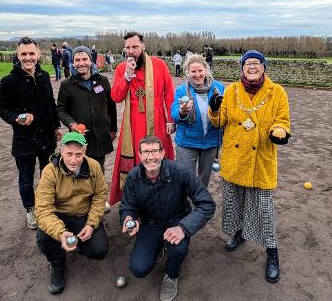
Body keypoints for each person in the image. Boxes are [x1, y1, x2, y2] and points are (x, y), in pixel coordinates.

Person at [208, 49, 291, 284]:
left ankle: (272, 251)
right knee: (235, 202)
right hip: (234, 161)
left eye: (257, 63)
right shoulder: (232, 91)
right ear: (241, 68)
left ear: (264, 67)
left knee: (264, 209)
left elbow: (282, 121)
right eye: (247, 64)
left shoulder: (277, 92)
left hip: (260, 161)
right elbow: (219, 122)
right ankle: (239, 233)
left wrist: (279, 133)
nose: (252, 67)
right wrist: (214, 108)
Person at [120, 135, 215, 301]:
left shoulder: (180, 171)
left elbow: (207, 204)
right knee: (139, 269)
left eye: (155, 151)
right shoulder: (133, 177)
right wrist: (129, 218)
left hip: (177, 221)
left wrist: (183, 228)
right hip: (150, 224)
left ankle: (171, 275)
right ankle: (158, 246)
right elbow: (128, 205)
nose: (150, 157)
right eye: (146, 152)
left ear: (163, 153)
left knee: (178, 250)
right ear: (140, 155)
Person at [0, 37, 62, 230]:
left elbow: (51, 104)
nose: (28, 58)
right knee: (26, 178)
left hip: (46, 137)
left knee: (48, 175)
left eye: (31, 53)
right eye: (23, 54)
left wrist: (56, 126)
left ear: (38, 54)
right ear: (18, 55)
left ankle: (46, 205)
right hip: (24, 140)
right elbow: (1, 108)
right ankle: (31, 209)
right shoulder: (10, 81)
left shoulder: (44, 76)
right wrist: (16, 117)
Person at [35, 132, 109, 295]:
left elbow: (100, 196)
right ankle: (57, 264)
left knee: (99, 251)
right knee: (44, 237)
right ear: (61, 152)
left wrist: (91, 223)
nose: (73, 160)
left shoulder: (94, 166)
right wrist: (60, 233)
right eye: (69, 154)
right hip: (58, 215)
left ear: (85, 151)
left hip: (83, 215)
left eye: (78, 154)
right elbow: (43, 210)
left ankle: (80, 242)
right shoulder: (49, 171)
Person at [109, 32, 176, 206]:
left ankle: (162, 198)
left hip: (158, 122)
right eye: (128, 48)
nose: (131, 51)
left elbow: (169, 93)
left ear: (143, 46)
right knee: (135, 161)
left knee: (158, 158)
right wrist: (127, 76)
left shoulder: (159, 65)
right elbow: (116, 97)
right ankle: (135, 200)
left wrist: (171, 119)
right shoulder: (121, 69)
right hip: (132, 125)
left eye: (135, 47)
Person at [57, 45, 117, 172]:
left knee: (98, 170)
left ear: (90, 60)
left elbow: (111, 106)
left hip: (100, 135)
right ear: (73, 62)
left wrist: (113, 129)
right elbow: (61, 110)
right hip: (79, 137)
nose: (81, 63)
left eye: (84, 59)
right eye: (77, 60)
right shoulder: (67, 85)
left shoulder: (102, 81)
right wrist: (72, 124)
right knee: (79, 171)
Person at [171, 54, 224, 187]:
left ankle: (199, 205)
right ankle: (185, 206)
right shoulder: (182, 90)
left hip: (211, 142)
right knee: (185, 179)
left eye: (200, 70)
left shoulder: (219, 88)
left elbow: (226, 112)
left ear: (206, 69)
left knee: (203, 181)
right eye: (193, 71)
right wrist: (182, 112)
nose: (197, 74)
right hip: (187, 143)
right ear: (187, 72)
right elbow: (174, 113)